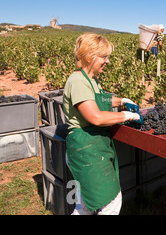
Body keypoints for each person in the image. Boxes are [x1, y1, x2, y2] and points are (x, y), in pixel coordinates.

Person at [63, 33, 143, 215]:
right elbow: (96, 117)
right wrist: (126, 115)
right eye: (104, 57)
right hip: (86, 150)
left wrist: (122, 100)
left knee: (83, 207)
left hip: (92, 147)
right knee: (110, 202)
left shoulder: (91, 80)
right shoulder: (77, 82)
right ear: (90, 56)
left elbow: (102, 98)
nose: (107, 61)